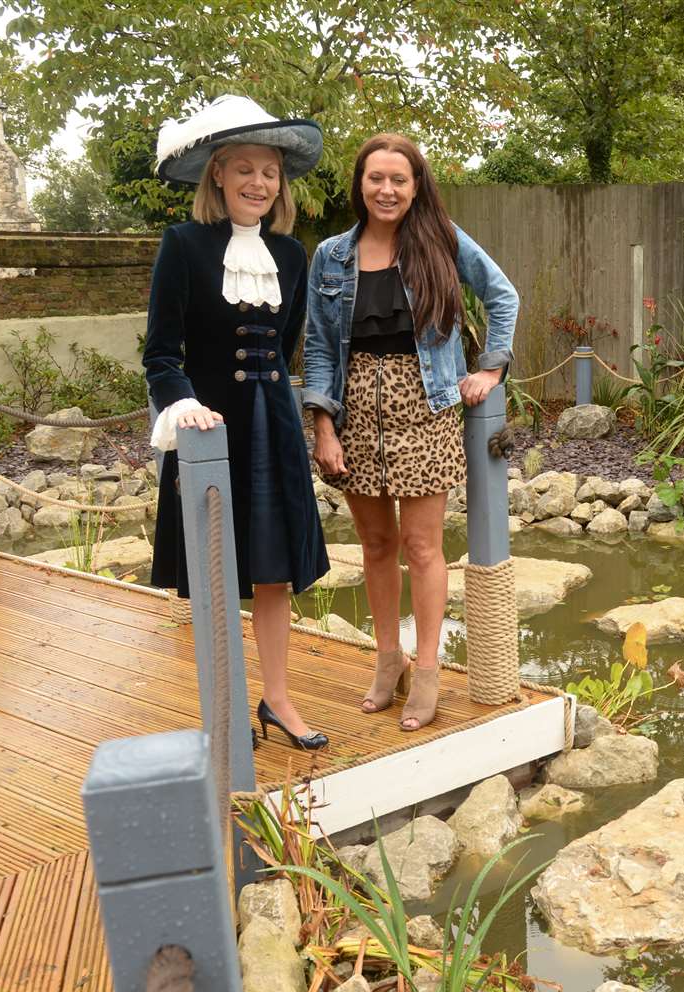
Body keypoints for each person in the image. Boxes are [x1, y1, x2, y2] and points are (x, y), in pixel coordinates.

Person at [303, 133, 518, 731]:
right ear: (360, 185)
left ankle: (427, 670)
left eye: (399, 179)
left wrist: (492, 368)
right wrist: (324, 427)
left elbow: (502, 294)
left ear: (416, 185)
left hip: (424, 409)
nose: (387, 189)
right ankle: (387, 661)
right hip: (355, 414)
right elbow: (319, 346)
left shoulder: (441, 242)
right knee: (375, 546)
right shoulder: (331, 257)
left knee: (423, 547)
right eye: (376, 178)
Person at [145, 95, 331, 751]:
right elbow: (161, 355)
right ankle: (223, 707)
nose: (259, 182)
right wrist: (182, 402)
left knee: (275, 571)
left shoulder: (292, 256)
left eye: (270, 172)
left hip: (272, 431)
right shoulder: (183, 245)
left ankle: (277, 700)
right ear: (217, 174)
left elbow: (285, 351)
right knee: (217, 571)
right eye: (245, 168)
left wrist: (293, 416)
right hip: (207, 431)